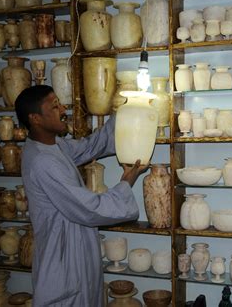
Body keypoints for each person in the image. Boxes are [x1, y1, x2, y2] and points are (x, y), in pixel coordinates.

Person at [15, 85, 147, 306]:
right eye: (55, 105)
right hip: (62, 255)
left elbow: (90, 146)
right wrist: (126, 182)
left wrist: (125, 112)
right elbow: (88, 208)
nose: (63, 109)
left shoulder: (54, 146)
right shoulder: (42, 161)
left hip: (75, 247)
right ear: (35, 118)